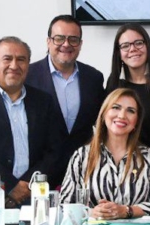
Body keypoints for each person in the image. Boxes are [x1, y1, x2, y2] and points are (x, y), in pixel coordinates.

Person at [0, 37, 66, 209]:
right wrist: (11, 186)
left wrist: (27, 185)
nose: (14, 66)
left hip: (32, 199)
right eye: (7, 59)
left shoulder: (44, 101)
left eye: (21, 59)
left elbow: (54, 150)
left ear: (28, 64)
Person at [60, 88, 150, 218]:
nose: (122, 115)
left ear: (137, 121)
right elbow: (64, 205)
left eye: (130, 111)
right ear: (104, 114)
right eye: (116, 107)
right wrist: (92, 213)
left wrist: (126, 211)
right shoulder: (81, 156)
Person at [26, 15, 106, 158]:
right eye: (59, 38)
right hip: (41, 163)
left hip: (83, 163)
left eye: (73, 39)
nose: (66, 44)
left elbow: (100, 121)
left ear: (80, 44)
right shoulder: (27, 76)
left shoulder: (94, 78)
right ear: (48, 42)